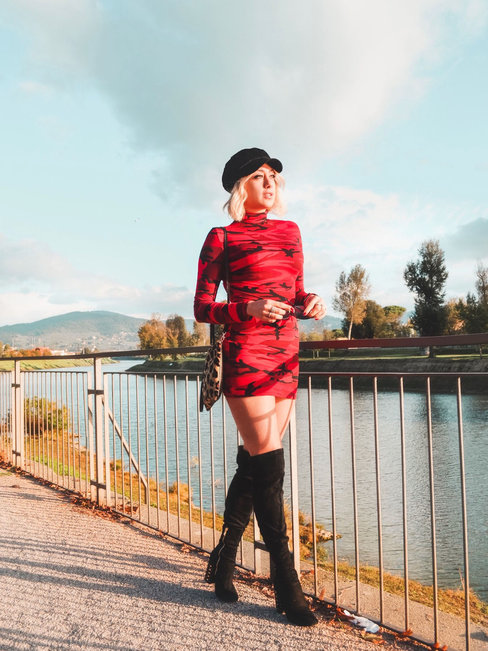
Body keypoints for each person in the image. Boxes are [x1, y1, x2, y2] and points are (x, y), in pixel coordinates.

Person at [194, 147, 326, 626]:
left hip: (286, 354)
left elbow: (296, 290)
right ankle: (286, 586)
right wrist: (245, 309)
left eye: (273, 176)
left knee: (255, 464)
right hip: (246, 354)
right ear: (239, 188)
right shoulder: (222, 237)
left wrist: (310, 301)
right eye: (258, 176)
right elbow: (202, 307)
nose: (269, 183)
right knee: (270, 466)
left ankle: (225, 558)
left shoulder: (290, 232)